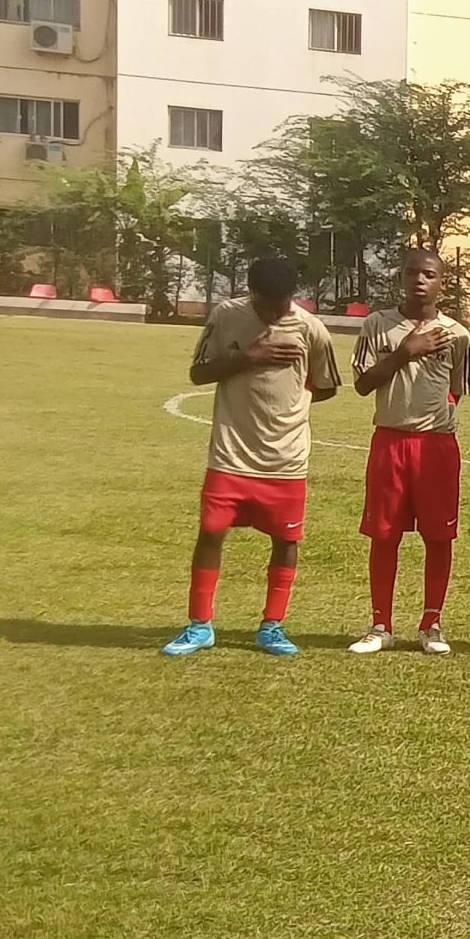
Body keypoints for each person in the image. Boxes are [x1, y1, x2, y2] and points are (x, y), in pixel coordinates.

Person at [162, 254, 340, 657]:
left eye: (282, 304)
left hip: (286, 459)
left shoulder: (311, 329)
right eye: (266, 303)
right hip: (231, 455)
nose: (275, 312)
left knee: (286, 539)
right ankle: (200, 625)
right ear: (251, 292)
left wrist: (292, 402)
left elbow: (327, 385)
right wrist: (248, 358)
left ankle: (272, 625)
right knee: (210, 533)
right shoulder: (226, 316)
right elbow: (198, 373)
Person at [348, 248, 470, 656]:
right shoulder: (377, 324)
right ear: (401, 277)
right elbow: (363, 384)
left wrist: (437, 416)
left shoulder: (456, 333)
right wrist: (406, 351)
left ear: (441, 282)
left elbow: (456, 388)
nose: (420, 280)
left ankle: (431, 624)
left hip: (436, 447)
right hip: (390, 441)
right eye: (412, 273)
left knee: (439, 536)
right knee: (384, 535)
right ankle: (380, 624)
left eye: (429, 274)